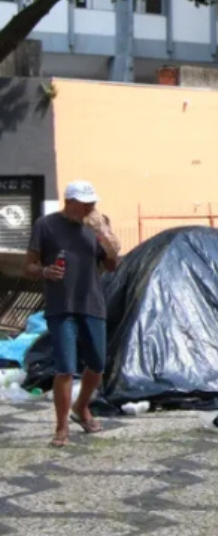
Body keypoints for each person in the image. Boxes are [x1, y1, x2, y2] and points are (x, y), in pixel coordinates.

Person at [23, 181, 122, 447]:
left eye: (93, 202)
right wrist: (45, 271)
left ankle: (81, 407)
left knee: (98, 364)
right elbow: (29, 265)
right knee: (65, 367)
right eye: (85, 202)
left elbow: (112, 265)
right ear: (70, 202)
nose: (91, 207)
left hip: (92, 302)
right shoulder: (46, 225)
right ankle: (61, 426)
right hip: (61, 305)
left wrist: (104, 235)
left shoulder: (98, 223)